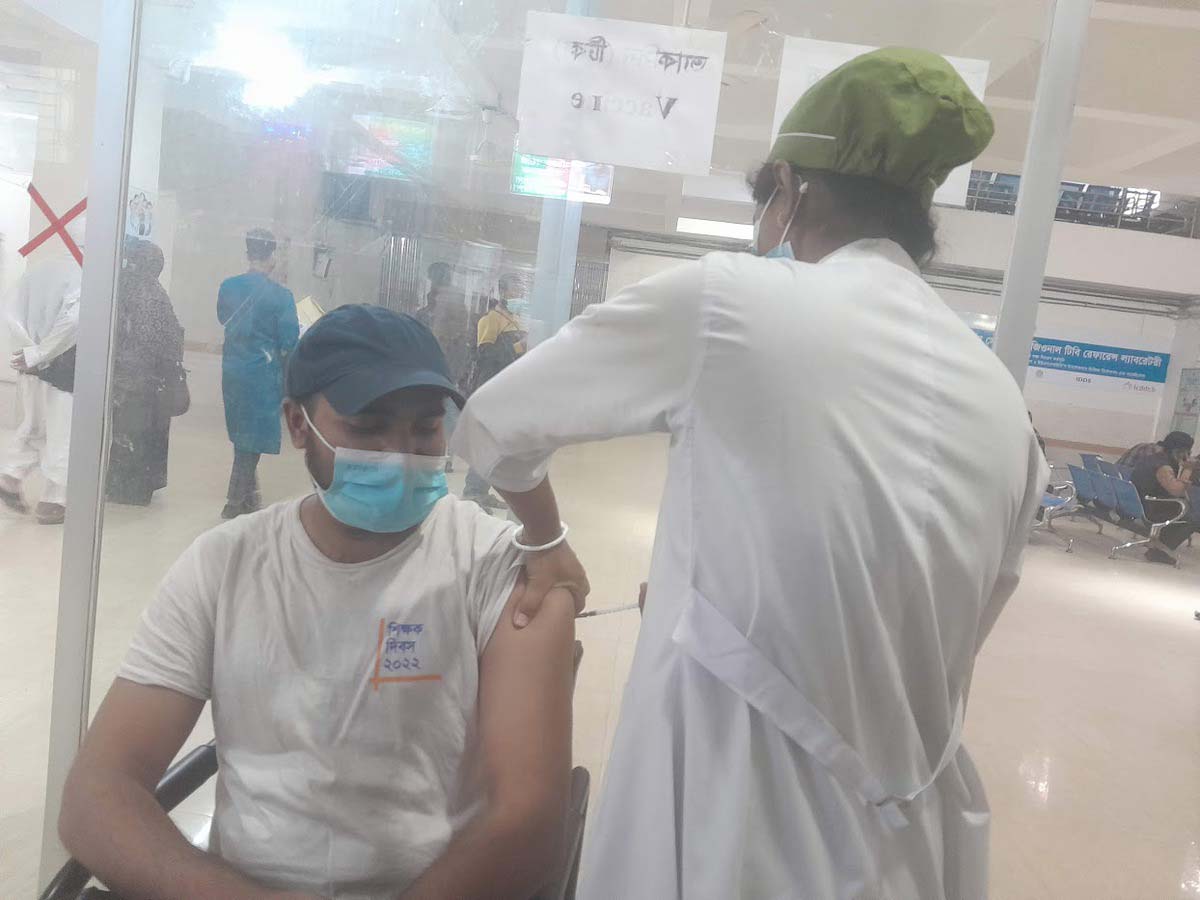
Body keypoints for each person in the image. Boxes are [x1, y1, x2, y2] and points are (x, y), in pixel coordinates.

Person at [452, 48, 1047, 899]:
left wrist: (545, 540)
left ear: (793, 190)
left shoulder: (730, 303)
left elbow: (497, 422)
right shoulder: (998, 395)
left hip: (736, 822)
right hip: (911, 845)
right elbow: (948, 616)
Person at [59, 305, 575, 899]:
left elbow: (528, 823)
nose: (401, 454)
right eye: (368, 426)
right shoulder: (225, 565)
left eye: (425, 428)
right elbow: (97, 792)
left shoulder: (497, 565)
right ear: (298, 425)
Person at [0, 222, 83, 525]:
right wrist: (41, 353)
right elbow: (74, 322)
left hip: (30, 363)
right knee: (64, 430)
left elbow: (8, 308)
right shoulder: (86, 274)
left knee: (34, 424)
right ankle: (54, 501)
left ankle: (10, 477)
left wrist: (26, 349)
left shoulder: (41, 269)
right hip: (62, 366)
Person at [217, 228, 300, 519]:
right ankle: (234, 499)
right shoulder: (281, 296)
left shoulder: (228, 287)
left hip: (232, 370)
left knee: (242, 434)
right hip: (263, 374)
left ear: (248, 253)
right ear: (273, 256)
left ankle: (249, 495)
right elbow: (290, 340)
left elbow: (222, 318)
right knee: (251, 438)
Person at [106, 238, 185, 506]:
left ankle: (120, 483)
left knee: (124, 434)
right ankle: (134, 488)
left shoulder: (124, 287)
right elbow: (162, 337)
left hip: (123, 376)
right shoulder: (152, 292)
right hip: (143, 380)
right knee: (141, 434)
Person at [462, 277, 526, 508]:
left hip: (508, 388)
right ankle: (472, 491)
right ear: (504, 292)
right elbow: (485, 353)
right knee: (488, 442)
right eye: (516, 288)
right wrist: (519, 346)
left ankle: (480, 489)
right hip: (491, 387)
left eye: (521, 289)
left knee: (497, 444)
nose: (520, 293)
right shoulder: (491, 319)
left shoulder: (515, 320)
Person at [1129, 430, 1195, 564]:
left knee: (1188, 509)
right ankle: (1158, 550)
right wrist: (1188, 469)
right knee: (1193, 518)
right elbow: (1176, 491)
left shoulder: (1153, 458)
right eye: (1188, 451)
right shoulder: (1163, 466)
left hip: (1138, 502)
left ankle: (1157, 544)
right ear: (1180, 451)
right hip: (1150, 508)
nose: (1189, 455)